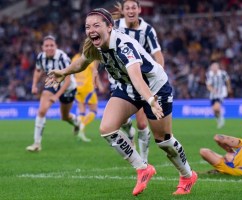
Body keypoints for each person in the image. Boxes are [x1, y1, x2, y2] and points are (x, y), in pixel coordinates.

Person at [46, 8, 197, 196]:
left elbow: (137, 77)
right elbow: (82, 62)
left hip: (155, 88)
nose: (91, 30)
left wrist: (150, 99)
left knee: (164, 141)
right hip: (128, 87)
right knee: (107, 128)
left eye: (96, 25)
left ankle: (187, 175)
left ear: (109, 27)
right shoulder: (95, 45)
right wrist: (64, 72)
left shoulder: (124, 45)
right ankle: (143, 168)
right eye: (87, 26)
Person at [109, 0, 165, 163]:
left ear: (140, 10)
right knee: (121, 121)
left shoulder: (147, 30)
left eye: (134, 7)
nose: (131, 10)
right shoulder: (115, 25)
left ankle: (144, 160)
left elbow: (158, 54)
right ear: (124, 11)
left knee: (141, 123)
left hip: (138, 80)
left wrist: (159, 73)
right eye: (128, 8)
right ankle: (129, 132)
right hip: (117, 79)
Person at [26, 35, 81, 152]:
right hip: (52, 84)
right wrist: (34, 85)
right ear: (42, 47)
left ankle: (77, 123)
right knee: (41, 111)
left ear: (56, 46)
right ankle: (36, 144)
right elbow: (38, 70)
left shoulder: (63, 58)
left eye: (52, 45)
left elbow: (68, 80)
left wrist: (57, 96)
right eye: (47, 46)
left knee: (64, 117)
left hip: (68, 89)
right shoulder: (41, 57)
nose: (49, 48)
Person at [72, 48, 106, 142]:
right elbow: (94, 72)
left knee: (82, 111)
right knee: (93, 110)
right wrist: (100, 85)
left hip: (77, 87)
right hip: (87, 88)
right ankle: (82, 127)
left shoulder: (75, 58)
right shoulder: (89, 58)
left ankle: (78, 123)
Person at [206, 62, 232, 129]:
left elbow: (227, 80)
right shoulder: (209, 74)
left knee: (216, 108)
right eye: (213, 67)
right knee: (214, 111)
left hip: (220, 93)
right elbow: (208, 85)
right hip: (212, 95)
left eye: (215, 67)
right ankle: (219, 120)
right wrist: (212, 90)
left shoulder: (223, 73)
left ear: (218, 67)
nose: (214, 68)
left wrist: (228, 87)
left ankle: (221, 120)